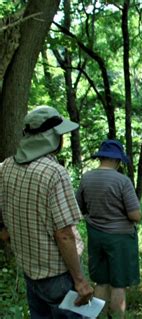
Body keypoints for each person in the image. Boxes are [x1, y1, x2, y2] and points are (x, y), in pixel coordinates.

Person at [0, 106, 93, 317]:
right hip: (58, 275)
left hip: (30, 272)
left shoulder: (6, 167)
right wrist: (79, 281)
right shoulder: (54, 173)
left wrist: (4, 231)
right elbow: (64, 235)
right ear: (51, 138)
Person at [76, 140, 141, 318]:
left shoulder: (86, 178)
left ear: (101, 157)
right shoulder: (123, 181)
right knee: (119, 284)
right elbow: (135, 215)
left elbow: (78, 208)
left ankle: (97, 316)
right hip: (120, 238)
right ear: (117, 160)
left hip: (95, 235)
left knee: (101, 282)